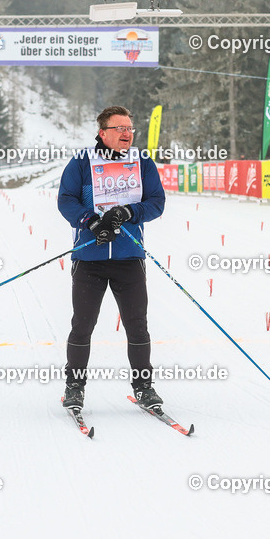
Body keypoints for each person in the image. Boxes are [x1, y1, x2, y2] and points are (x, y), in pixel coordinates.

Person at [57, 106, 166, 411]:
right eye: (119, 128)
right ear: (102, 132)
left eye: (130, 128)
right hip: (89, 257)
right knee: (82, 324)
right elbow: (66, 199)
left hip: (129, 255)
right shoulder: (82, 163)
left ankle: (144, 388)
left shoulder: (142, 162)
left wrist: (130, 212)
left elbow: (157, 202)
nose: (126, 134)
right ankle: (74, 387)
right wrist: (89, 221)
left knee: (137, 325)